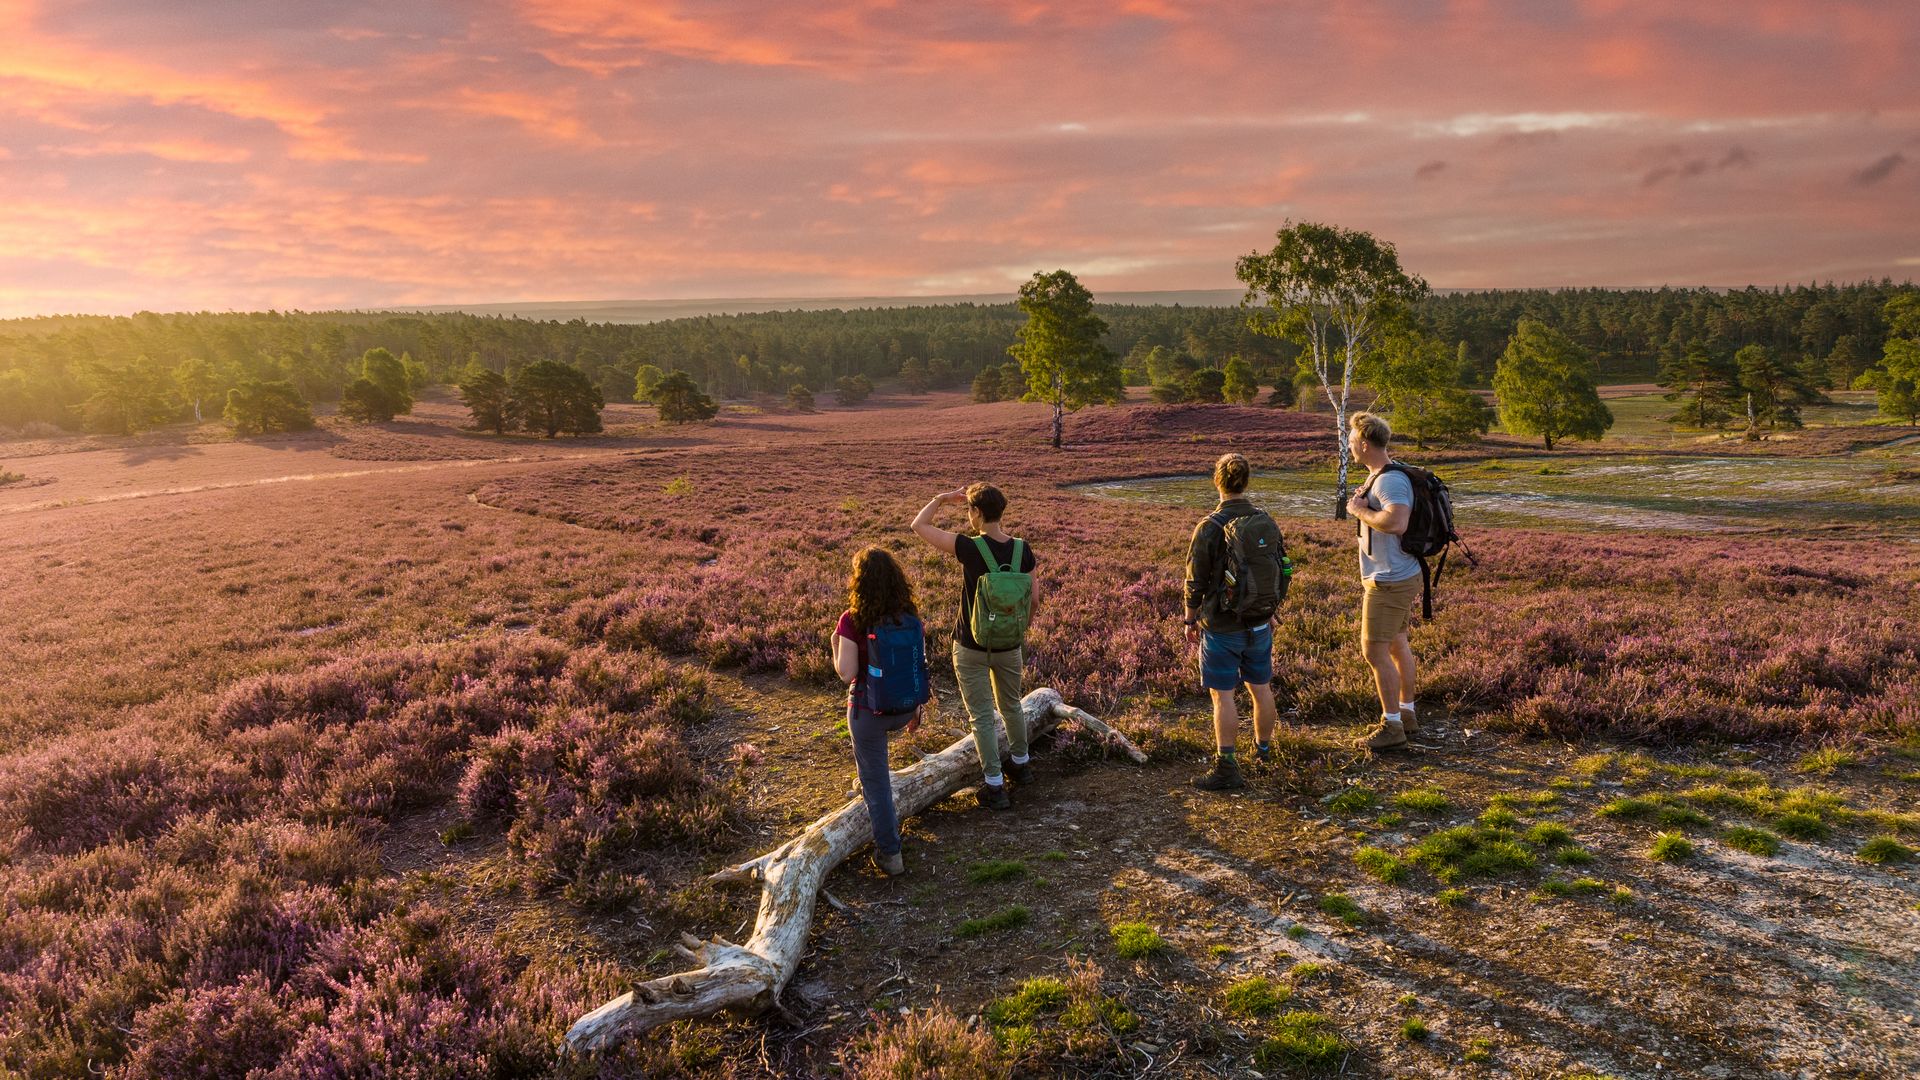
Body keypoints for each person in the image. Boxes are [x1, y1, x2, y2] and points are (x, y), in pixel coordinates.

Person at [911, 483, 1036, 810]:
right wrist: (1019, 629)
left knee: (982, 716)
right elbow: (1034, 599)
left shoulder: (969, 547)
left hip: (971, 644)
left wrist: (940, 499)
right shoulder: (1024, 550)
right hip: (1010, 644)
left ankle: (994, 786)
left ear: (977, 513)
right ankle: (1021, 766)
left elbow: (918, 526)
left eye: (969, 509)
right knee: (1012, 704)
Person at [1184, 452, 1286, 792]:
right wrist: (1272, 607)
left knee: (1223, 696)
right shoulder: (1265, 520)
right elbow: (1281, 566)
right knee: (1260, 689)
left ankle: (1227, 766)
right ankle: (1264, 753)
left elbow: (1195, 579)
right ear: (1246, 481)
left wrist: (1189, 617)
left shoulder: (1209, 526)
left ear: (1218, 481)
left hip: (1221, 627)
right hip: (1260, 621)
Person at [830, 546, 926, 876]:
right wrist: (915, 710)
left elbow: (846, 673)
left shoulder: (852, 619)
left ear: (859, 582)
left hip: (870, 712)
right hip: (906, 708)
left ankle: (891, 855)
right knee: (874, 778)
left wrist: (834, 643)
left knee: (878, 785)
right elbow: (917, 664)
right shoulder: (910, 615)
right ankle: (868, 785)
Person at [1344, 411, 1422, 751]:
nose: (1348, 447)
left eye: (1350, 442)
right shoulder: (1382, 474)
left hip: (1388, 579)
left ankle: (1392, 727)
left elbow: (1397, 522)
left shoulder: (1389, 480)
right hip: (1399, 573)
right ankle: (1406, 714)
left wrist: (1358, 510)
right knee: (1397, 643)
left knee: (1374, 651)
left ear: (1364, 443)